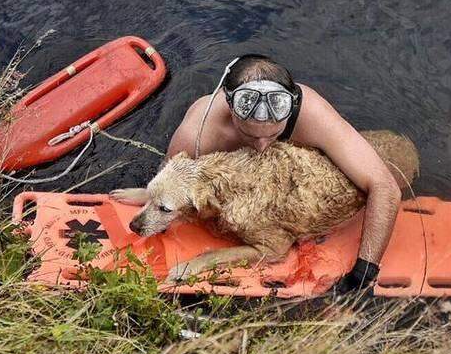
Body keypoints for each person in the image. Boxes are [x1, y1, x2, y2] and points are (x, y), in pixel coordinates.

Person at [165, 54, 400, 292]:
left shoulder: (311, 114)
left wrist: (364, 272)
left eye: (273, 135)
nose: (262, 147)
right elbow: (167, 188)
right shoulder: (196, 135)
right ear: (229, 106)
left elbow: (384, 186)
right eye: (250, 136)